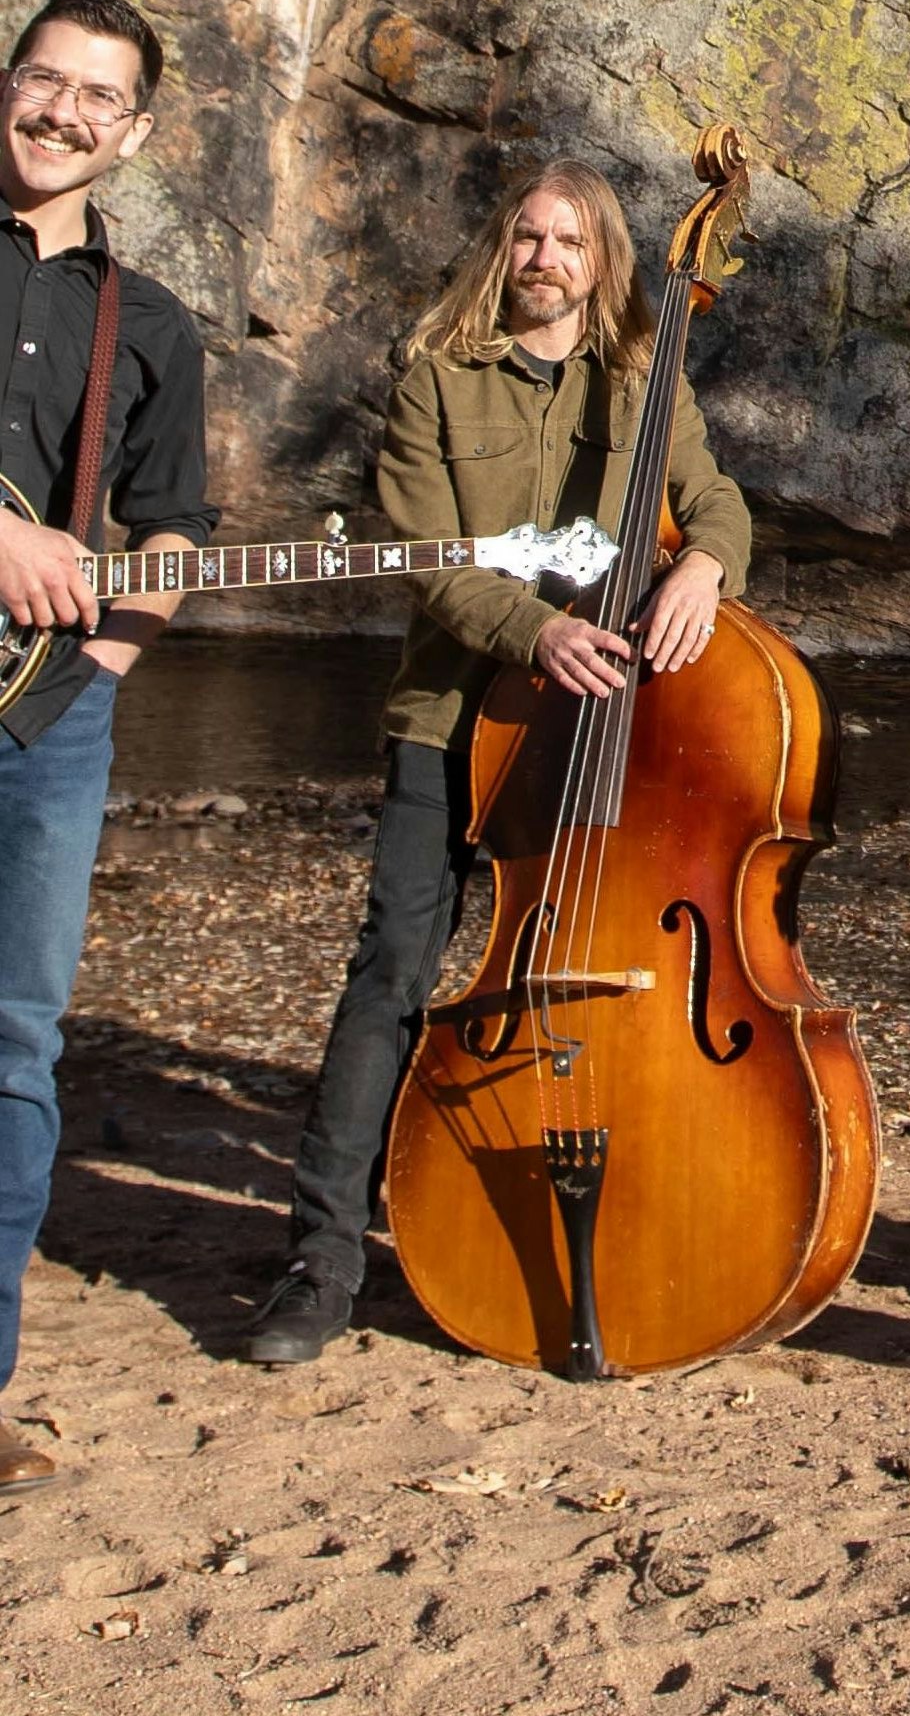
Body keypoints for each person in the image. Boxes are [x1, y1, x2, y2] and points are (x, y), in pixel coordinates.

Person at [240, 162, 750, 1365]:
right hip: (455, 719)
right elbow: (430, 557)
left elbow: (717, 499)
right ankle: (322, 1258)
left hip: (596, 731)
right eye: (528, 237)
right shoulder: (436, 377)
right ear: (501, 250)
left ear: (603, 261)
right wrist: (537, 631)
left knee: (592, 966)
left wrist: (703, 564)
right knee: (394, 975)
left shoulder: (646, 379)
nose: (545, 260)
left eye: (569, 242)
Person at [0, 0, 214, 1490]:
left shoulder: (151, 325)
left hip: (49, 726)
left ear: (131, 134)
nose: (63, 111)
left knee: (15, 1048)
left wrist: (107, 663)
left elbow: (174, 527)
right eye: (44, 77)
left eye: (98, 96)